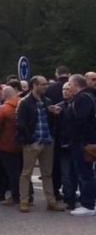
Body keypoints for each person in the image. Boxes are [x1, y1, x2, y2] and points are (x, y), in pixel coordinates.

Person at [16, 76, 64, 212]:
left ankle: (51, 201)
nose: (45, 87)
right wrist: (29, 139)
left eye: (46, 84)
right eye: (43, 84)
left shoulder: (47, 101)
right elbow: (20, 123)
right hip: (33, 142)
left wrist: (54, 115)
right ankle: (24, 201)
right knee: (26, 173)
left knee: (47, 173)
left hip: (47, 140)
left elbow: (51, 122)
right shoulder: (24, 102)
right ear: (35, 85)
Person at [67, 75, 96, 216]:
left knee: (85, 173)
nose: (68, 87)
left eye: (70, 84)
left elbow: (82, 120)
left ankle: (88, 204)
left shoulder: (83, 98)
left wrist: (77, 137)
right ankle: (88, 202)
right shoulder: (87, 97)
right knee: (86, 173)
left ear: (76, 84)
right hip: (84, 140)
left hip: (83, 142)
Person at [0, 86, 24, 206]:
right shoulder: (23, 104)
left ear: (4, 95)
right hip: (22, 143)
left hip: (7, 144)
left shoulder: (4, 109)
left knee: (12, 172)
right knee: (23, 171)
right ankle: (28, 194)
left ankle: (15, 196)